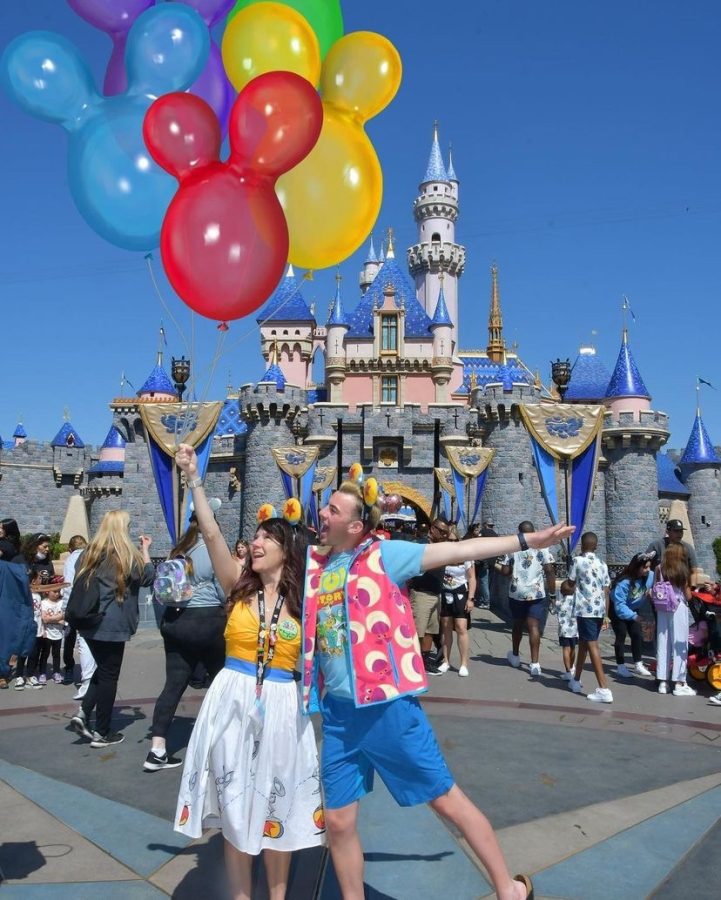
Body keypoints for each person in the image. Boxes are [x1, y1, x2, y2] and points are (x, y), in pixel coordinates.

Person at [302, 475, 572, 900]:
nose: (322, 513)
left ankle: (508, 890)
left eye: (333, 509)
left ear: (355, 525)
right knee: (337, 822)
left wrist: (526, 541)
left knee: (445, 800)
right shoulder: (317, 564)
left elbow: (459, 550)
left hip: (387, 709)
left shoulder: (386, 555)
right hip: (338, 715)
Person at [175, 444, 325, 900]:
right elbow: (213, 532)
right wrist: (193, 477)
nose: (255, 543)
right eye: (255, 537)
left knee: (279, 804)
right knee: (236, 804)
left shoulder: (306, 604)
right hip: (231, 701)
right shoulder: (236, 588)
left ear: (288, 550)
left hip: (282, 705)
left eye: (266, 538)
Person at [145, 504, 227, 772]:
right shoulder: (212, 550)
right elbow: (223, 590)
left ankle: (156, 749)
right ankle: (223, 744)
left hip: (176, 621)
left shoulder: (179, 549)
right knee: (222, 683)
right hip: (207, 621)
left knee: (173, 685)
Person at [69, 511, 154, 748]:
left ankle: (83, 712)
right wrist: (145, 549)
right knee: (109, 676)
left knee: (104, 669)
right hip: (114, 624)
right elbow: (148, 577)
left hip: (89, 621)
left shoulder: (89, 553)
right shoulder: (126, 555)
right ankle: (102, 732)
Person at [500, 521, 556, 677]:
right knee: (534, 627)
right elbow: (550, 570)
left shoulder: (512, 547)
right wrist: (552, 595)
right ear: (533, 531)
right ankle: (535, 664)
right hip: (536, 593)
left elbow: (505, 571)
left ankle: (516, 656)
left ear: (519, 533)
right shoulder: (542, 546)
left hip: (517, 592)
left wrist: (505, 566)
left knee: (517, 624)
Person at [567, 532, 613, 702]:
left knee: (592, 645)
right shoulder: (603, 564)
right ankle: (576, 680)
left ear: (582, 546)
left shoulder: (578, 561)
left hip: (584, 609)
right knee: (584, 644)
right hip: (599, 610)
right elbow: (606, 590)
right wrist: (606, 615)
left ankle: (603, 688)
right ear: (596, 546)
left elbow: (571, 583)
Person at [407, 518, 448, 676]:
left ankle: (424, 660)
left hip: (435, 594)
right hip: (421, 593)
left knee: (431, 630)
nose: (444, 534)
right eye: (442, 531)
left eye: (446, 532)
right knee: (418, 630)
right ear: (433, 529)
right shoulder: (422, 545)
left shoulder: (440, 547)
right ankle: (412, 660)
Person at [655, 544, 696, 696]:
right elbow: (688, 595)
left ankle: (663, 682)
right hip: (678, 606)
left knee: (663, 642)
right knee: (679, 643)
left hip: (662, 607)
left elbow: (655, 587)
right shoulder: (681, 570)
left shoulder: (659, 568)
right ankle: (679, 682)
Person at [609, 552, 654, 679]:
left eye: (649, 567)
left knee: (637, 634)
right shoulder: (624, 582)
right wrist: (634, 616)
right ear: (637, 567)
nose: (648, 570)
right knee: (621, 634)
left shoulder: (650, 576)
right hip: (618, 610)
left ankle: (638, 664)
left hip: (633, 608)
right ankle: (621, 666)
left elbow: (657, 584)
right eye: (645, 567)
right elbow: (620, 605)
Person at [439, 526, 476, 676]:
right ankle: (446, 661)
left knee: (461, 627)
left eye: (455, 540)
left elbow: (472, 578)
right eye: (449, 539)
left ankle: (464, 663)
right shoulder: (441, 554)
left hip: (460, 593)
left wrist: (471, 598)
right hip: (445, 593)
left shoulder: (465, 556)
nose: (452, 542)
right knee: (446, 627)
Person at [61, 535, 90, 686]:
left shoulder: (71, 560)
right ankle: (89, 673)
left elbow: (68, 585)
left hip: (73, 603)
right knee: (86, 640)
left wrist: (65, 607)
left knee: (70, 638)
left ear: (70, 548)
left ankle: (69, 669)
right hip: (89, 604)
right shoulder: (92, 556)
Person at [647, 520, 701, 587]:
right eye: (676, 531)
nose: (679, 534)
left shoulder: (688, 548)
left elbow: (694, 571)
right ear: (667, 532)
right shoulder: (656, 546)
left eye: (681, 531)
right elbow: (646, 566)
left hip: (681, 588)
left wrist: (692, 588)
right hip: (660, 589)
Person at [36, 575, 69, 683]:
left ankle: (56, 672)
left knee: (56, 655)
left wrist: (52, 619)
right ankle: (42, 673)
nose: (57, 593)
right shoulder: (44, 603)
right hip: (47, 633)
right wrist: (57, 619)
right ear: (47, 592)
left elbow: (64, 620)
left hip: (58, 634)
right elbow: (45, 620)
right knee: (44, 654)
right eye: (54, 591)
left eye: (58, 591)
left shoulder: (61, 603)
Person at [552, 579, 578, 681]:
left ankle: (567, 671)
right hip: (575, 631)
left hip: (563, 631)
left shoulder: (560, 603)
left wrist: (552, 602)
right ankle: (572, 667)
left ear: (561, 592)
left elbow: (553, 610)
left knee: (566, 650)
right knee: (573, 649)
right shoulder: (577, 602)